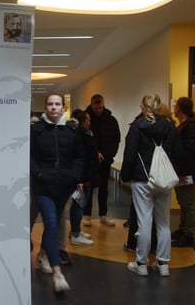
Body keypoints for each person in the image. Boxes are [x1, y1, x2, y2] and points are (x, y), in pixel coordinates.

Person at [120, 93, 180, 277]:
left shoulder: (137, 127)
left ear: (144, 106)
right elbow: (178, 153)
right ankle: (163, 264)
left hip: (142, 179)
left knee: (144, 222)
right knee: (163, 222)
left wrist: (125, 176)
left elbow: (130, 154)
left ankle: (141, 263)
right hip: (164, 180)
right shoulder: (170, 127)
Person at [31, 93, 84, 293]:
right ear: (45, 107)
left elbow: (79, 156)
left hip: (64, 185)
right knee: (52, 223)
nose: (54, 107)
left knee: (53, 225)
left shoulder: (71, 130)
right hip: (43, 185)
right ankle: (57, 273)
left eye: (57, 104)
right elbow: (29, 156)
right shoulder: (36, 130)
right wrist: (38, 173)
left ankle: (43, 254)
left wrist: (74, 176)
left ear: (63, 107)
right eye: (50, 104)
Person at [172, 97, 195, 247]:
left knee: (188, 203)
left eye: (176, 106)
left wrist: (182, 173)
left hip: (187, 172)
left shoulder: (191, 128)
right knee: (183, 201)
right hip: (183, 171)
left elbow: (190, 154)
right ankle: (183, 229)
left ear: (180, 109)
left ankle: (189, 234)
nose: (174, 108)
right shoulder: (184, 125)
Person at [83, 94, 121, 226]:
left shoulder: (111, 120)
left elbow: (116, 139)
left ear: (103, 105)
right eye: (96, 108)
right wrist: (94, 153)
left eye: (100, 107)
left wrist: (110, 155)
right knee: (89, 187)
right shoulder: (86, 119)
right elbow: (83, 140)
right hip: (90, 161)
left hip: (106, 160)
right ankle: (86, 215)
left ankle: (103, 214)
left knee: (104, 188)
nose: (98, 110)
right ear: (91, 105)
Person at [68, 109, 98, 245]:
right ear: (82, 122)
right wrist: (79, 179)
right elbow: (82, 158)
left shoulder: (82, 135)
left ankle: (76, 230)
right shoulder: (81, 137)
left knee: (79, 204)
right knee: (78, 204)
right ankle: (75, 233)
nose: (90, 123)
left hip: (85, 175)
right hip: (82, 177)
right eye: (88, 120)